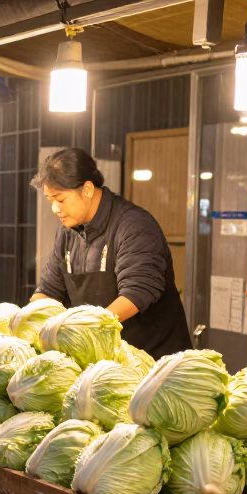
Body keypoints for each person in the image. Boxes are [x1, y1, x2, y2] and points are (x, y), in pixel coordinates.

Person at [30, 148, 192, 359]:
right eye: (49, 200)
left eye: (60, 199)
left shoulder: (134, 225)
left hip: (155, 362)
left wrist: (86, 329)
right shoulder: (67, 234)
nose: (54, 209)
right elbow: (49, 290)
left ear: (87, 189)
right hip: (107, 363)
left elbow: (137, 292)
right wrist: (30, 320)